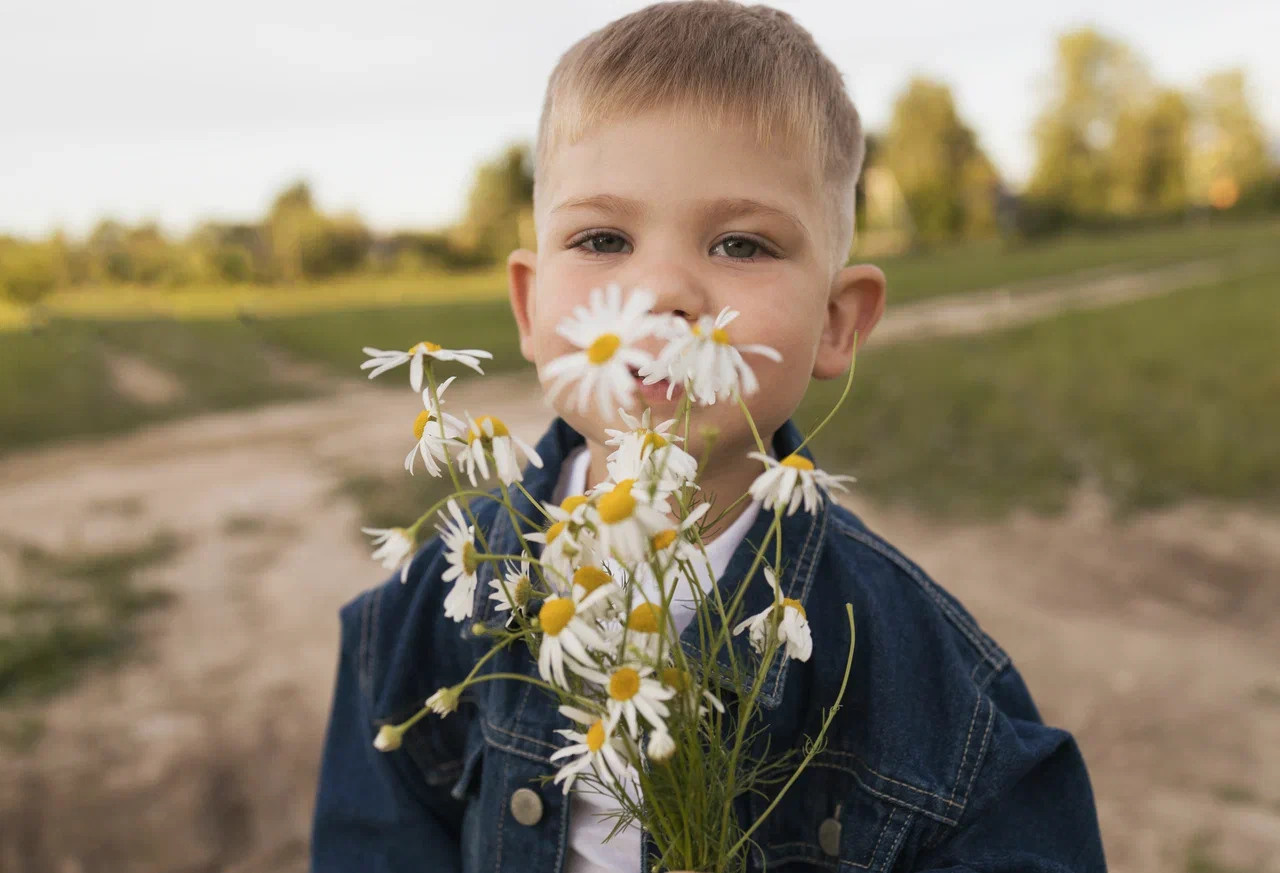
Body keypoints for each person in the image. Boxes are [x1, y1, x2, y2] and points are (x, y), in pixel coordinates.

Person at [310, 2, 1107, 871]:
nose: (662, 291)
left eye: (741, 243)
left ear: (838, 324)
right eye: (603, 238)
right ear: (531, 310)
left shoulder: (930, 691)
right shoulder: (428, 618)